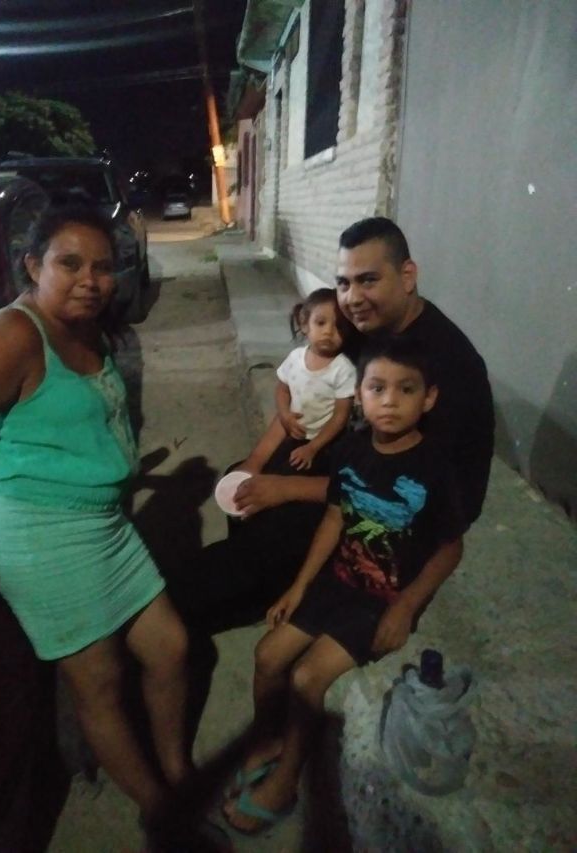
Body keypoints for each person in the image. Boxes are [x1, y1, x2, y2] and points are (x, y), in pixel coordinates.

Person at [0, 204, 189, 839]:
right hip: (39, 534)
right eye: (69, 263)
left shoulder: (86, 328)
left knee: (170, 647)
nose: (90, 280)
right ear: (33, 266)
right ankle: (161, 811)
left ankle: (180, 775)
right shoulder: (12, 335)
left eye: (102, 267)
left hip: (103, 528)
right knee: (99, 684)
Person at [175, 217, 493, 633]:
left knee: (270, 526)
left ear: (407, 276)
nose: (352, 298)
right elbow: (306, 392)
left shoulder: (447, 366)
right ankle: (261, 583)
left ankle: (172, 608)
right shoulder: (369, 330)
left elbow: (413, 490)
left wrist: (288, 488)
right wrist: (264, 460)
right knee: (245, 480)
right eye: (343, 283)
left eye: (368, 280)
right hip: (353, 465)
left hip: (399, 513)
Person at [223, 337, 466, 833]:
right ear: (359, 395)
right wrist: (299, 586)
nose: (389, 401)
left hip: (383, 599)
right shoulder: (352, 449)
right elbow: (335, 517)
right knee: (268, 656)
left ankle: (285, 781)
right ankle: (268, 740)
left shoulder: (436, 468)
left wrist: (406, 607)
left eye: (406, 389)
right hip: (338, 579)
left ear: (429, 398)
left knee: (307, 677)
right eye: (377, 388)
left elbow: (450, 548)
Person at [240, 287, 356, 478]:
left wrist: (313, 447)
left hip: (322, 443)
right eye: (320, 323)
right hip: (293, 432)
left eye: (339, 326)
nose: (328, 331)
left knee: (285, 476)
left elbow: (340, 418)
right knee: (269, 467)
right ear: (304, 324)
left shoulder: (343, 369)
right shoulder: (296, 357)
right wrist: (285, 414)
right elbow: (282, 390)